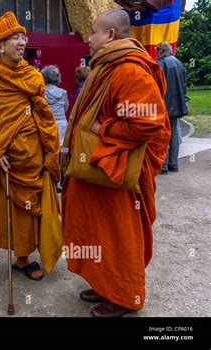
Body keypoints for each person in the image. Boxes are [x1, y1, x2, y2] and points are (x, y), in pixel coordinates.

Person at [61, 9, 170, 317]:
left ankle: (123, 295)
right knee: (97, 230)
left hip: (115, 169)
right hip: (98, 169)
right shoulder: (106, 66)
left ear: (110, 35)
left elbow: (148, 122)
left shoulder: (129, 70)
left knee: (118, 233)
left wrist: (102, 129)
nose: (88, 38)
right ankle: (104, 282)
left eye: (93, 31)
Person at [0, 12, 61, 288]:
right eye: (14, 38)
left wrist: (46, 151)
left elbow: (41, 115)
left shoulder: (32, 76)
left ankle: (22, 258)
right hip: (1, 160)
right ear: (0, 46)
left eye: (23, 37)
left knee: (25, 213)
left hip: (28, 156)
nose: (22, 42)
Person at [156, 41, 188, 174]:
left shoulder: (160, 64)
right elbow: (184, 84)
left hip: (164, 104)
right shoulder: (179, 63)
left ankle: (162, 166)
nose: (157, 55)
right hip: (177, 104)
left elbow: (156, 85)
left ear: (161, 51)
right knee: (174, 134)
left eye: (157, 52)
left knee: (162, 134)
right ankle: (173, 164)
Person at [41, 65, 70, 144]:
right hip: (62, 126)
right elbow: (66, 107)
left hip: (47, 125)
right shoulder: (63, 92)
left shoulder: (41, 92)